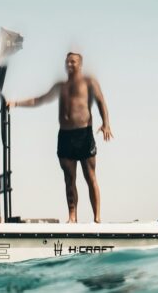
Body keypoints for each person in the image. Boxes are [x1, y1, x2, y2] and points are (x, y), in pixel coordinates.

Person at [8, 52, 113, 223]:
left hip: (84, 133)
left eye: (73, 62)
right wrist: (16, 103)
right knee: (69, 179)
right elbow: (39, 100)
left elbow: (101, 101)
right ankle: (72, 217)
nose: (69, 64)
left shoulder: (89, 82)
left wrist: (106, 124)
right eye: (67, 62)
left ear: (80, 64)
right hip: (65, 136)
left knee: (90, 176)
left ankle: (97, 218)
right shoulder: (60, 86)